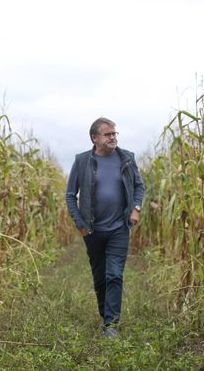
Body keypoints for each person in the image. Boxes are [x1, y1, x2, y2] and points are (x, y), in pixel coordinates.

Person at [65, 117, 145, 338]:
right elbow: (70, 196)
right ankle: (105, 316)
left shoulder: (126, 158)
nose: (113, 138)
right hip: (92, 230)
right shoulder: (82, 161)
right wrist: (80, 225)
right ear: (95, 138)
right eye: (108, 134)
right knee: (100, 277)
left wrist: (135, 208)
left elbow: (139, 186)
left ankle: (111, 325)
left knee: (115, 275)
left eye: (115, 133)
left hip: (119, 227)